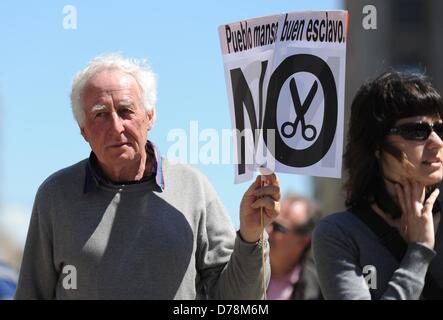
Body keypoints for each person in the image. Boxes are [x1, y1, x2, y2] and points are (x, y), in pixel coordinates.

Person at [15, 53, 280, 299]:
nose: (116, 127)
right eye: (100, 115)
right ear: (83, 130)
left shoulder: (192, 187)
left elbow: (237, 299)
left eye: (126, 111)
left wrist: (251, 234)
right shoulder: (56, 196)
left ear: (150, 117)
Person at [313, 71, 443, 299]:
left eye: (440, 130)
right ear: (376, 145)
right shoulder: (339, 234)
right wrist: (419, 252)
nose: (437, 142)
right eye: (417, 131)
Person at [266, 193, 322, 300]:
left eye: (278, 227)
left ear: (303, 241)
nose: (268, 231)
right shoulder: (244, 274)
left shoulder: (322, 287)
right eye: (268, 222)